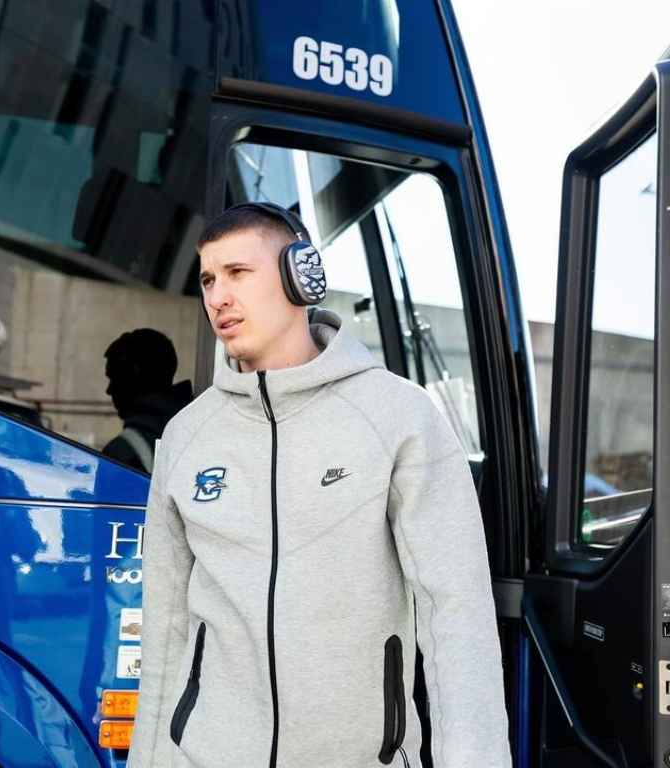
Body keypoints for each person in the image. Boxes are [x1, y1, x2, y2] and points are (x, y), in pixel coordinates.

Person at [127, 203, 512, 767]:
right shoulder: (188, 436)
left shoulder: (397, 415)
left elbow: (455, 612)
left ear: (300, 275)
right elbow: (166, 631)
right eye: (209, 279)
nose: (218, 296)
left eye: (238, 273)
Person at [102, 328, 192, 472]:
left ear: (133, 376)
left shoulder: (121, 453)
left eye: (114, 378)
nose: (109, 390)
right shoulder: (200, 430)